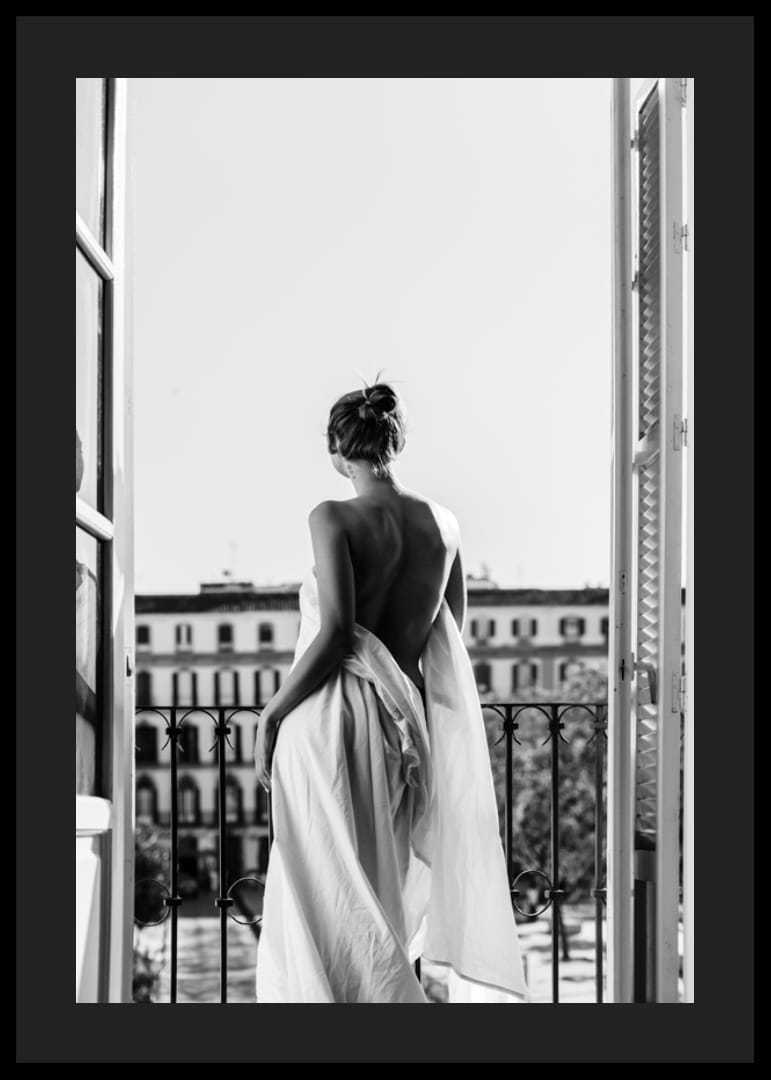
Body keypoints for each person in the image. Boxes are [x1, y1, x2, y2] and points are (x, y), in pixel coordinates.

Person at [253, 377, 530, 1004]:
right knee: (379, 886)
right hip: (402, 726)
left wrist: (272, 713)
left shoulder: (331, 516)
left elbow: (333, 635)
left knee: (320, 890)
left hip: (329, 721)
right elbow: (450, 633)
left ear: (336, 449)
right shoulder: (446, 524)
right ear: (392, 442)